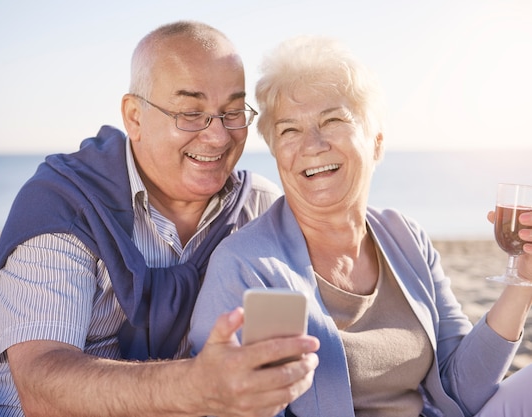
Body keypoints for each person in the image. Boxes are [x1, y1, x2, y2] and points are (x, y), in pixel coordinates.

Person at [0, 21, 321, 417]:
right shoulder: (67, 204)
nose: (217, 136)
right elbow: (41, 387)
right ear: (134, 118)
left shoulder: (260, 209)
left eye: (232, 113)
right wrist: (195, 386)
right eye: (190, 113)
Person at [188, 35, 532, 417]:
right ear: (276, 153)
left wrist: (524, 280)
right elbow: (225, 400)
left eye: (332, 120)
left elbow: (459, 387)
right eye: (289, 130)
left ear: (377, 143)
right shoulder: (246, 266)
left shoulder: (406, 237)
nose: (312, 145)